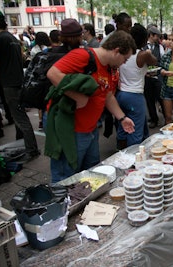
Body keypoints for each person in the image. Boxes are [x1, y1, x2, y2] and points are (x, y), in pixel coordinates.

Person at [46, 30, 137, 183]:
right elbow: (53, 74)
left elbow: (107, 95)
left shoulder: (108, 67)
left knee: (91, 174)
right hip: (72, 130)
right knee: (66, 178)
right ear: (116, 51)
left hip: (91, 130)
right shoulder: (83, 56)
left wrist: (122, 118)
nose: (124, 63)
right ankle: (64, 206)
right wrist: (77, 96)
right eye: (125, 58)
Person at [0, 7, 39, 162]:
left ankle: (31, 149)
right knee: (19, 116)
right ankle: (23, 145)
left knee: (20, 117)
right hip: (18, 81)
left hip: (9, 83)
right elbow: (22, 57)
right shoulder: (12, 38)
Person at [116, 23, 156, 150]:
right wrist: (149, 51)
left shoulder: (122, 53)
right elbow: (154, 61)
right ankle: (133, 160)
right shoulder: (142, 54)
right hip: (135, 96)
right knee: (135, 131)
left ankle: (120, 152)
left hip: (121, 94)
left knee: (123, 128)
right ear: (144, 39)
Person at [144, 25, 165, 129]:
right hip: (146, 77)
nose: (158, 38)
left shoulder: (160, 47)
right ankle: (154, 119)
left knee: (161, 97)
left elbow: (162, 60)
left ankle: (166, 117)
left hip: (157, 76)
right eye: (157, 36)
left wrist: (158, 69)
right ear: (151, 35)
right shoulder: (143, 47)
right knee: (149, 99)